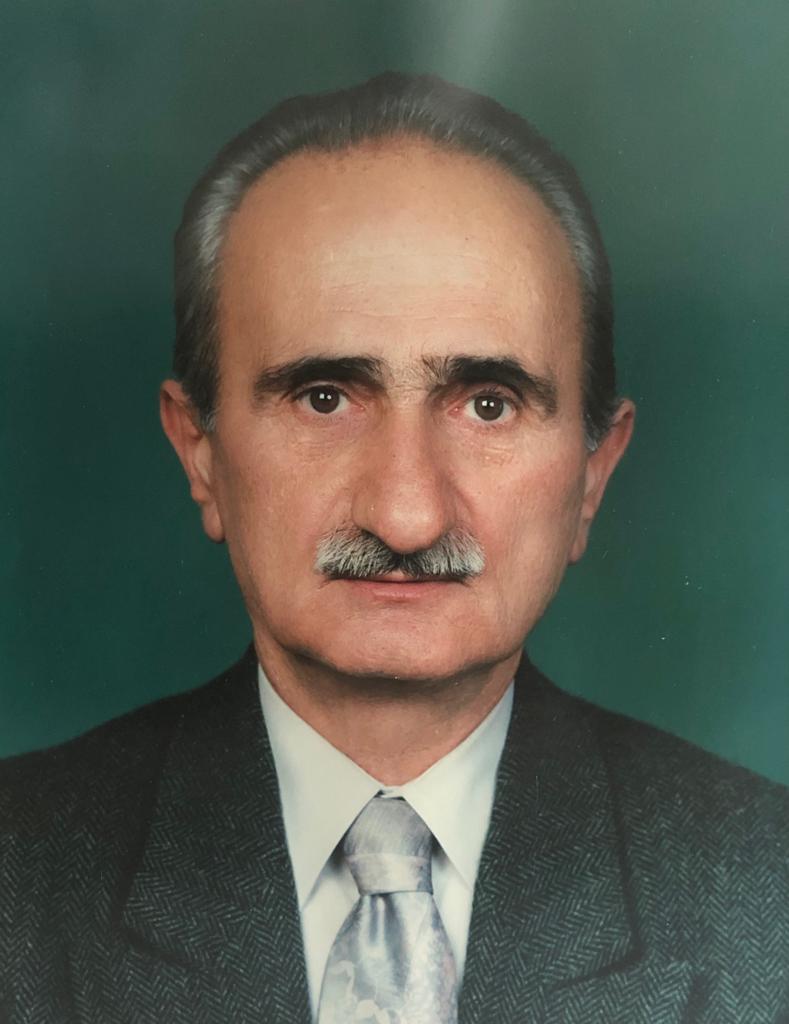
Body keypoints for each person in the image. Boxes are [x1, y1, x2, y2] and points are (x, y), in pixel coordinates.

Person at [1, 72, 787, 1024]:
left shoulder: (764, 892)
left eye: (487, 405)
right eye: (324, 397)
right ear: (199, 451)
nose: (407, 517)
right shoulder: (19, 875)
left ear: (593, 472)